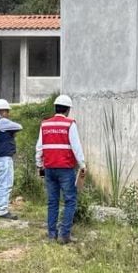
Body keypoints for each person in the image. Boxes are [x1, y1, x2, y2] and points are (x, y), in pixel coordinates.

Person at [36, 94, 88, 244]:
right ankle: (64, 235)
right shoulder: (70, 124)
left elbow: (39, 147)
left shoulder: (45, 124)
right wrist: (82, 164)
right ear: (68, 110)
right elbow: (76, 147)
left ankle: (52, 235)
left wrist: (39, 165)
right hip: (65, 169)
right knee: (70, 200)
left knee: (52, 202)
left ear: (55, 108)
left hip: (50, 168)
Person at [0, 98, 23, 220]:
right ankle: (2, 210)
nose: (8, 114)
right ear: (3, 111)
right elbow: (19, 126)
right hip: (4, 157)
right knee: (5, 183)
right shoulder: (2, 122)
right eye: (7, 111)